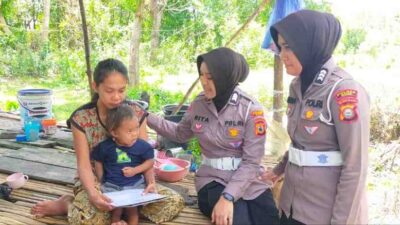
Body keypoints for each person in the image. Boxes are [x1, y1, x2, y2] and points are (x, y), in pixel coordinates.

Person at [31, 58, 184, 225]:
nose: (117, 97)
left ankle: (123, 212)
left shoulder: (136, 113)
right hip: (98, 180)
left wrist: (151, 183)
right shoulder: (81, 118)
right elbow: (83, 165)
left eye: (122, 90)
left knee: (173, 202)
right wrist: (93, 194)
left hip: (134, 182)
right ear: (95, 86)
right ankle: (67, 205)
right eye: (110, 91)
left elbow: (145, 156)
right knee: (87, 218)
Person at [144, 47, 279, 225]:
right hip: (213, 179)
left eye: (210, 77)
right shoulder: (199, 104)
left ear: (226, 76)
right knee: (238, 220)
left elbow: (252, 162)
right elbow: (180, 133)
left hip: (249, 179)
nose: (204, 82)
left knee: (270, 219)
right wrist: (146, 116)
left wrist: (230, 195)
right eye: (201, 75)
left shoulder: (250, 110)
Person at [259, 10, 370, 225]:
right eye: (280, 47)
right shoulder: (297, 86)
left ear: (311, 43)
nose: (282, 54)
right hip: (291, 205)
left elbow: (356, 167)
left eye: (289, 46)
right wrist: (278, 170)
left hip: (323, 213)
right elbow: (300, 142)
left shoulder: (344, 92)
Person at [92, 105, 155, 225]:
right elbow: (98, 160)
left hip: (134, 186)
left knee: (132, 210)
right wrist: (101, 180)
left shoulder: (142, 146)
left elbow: (150, 162)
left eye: (136, 129)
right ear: (114, 132)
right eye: (129, 131)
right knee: (116, 210)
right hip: (112, 186)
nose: (135, 134)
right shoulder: (105, 147)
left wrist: (135, 170)